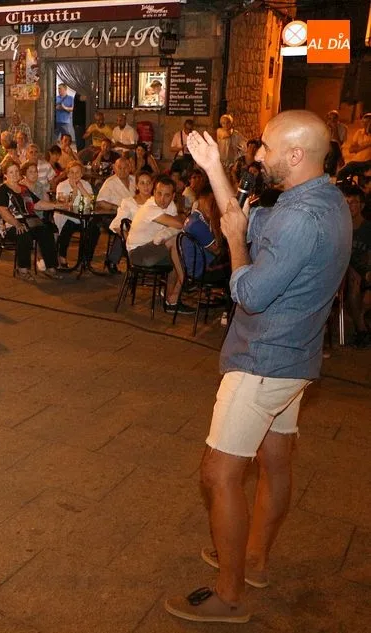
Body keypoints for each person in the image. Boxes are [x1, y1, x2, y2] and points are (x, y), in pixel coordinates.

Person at [164, 111, 351, 625]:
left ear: (295, 155)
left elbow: (249, 292)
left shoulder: (300, 218)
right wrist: (216, 171)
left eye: (266, 148)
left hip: (263, 360)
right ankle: (256, 562)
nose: (259, 155)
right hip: (295, 360)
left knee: (219, 474)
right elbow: (251, 221)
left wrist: (236, 244)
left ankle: (228, 594)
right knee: (276, 462)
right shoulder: (326, 201)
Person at [0, 160, 60, 280]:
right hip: (10, 224)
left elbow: (38, 204)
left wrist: (57, 205)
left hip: (30, 221)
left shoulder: (24, 188)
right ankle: (22, 270)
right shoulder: (2, 190)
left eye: (16, 171)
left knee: (46, 231)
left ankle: (51, 267)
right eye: (11, 172)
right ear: (5, 174)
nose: (14, 174)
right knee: (24, 234)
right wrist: (17, 223)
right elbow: (2, 211)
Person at [107, 170, 155, 271]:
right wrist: (129, 237)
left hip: (153, 239)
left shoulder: (157, 202)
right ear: (137, 186)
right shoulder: (129, 202)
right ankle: (113, 260)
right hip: (134, 239)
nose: (146, 186)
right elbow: (117, 224)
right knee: (124, 231)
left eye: (148, 183)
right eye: (142, 183)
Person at [340, 184, 370, 348]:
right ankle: (362, 330)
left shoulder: (368, 229)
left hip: (365, 277)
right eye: (347, 202)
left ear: (362, 205)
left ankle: (362, 331)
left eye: (354, 202)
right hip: (346, 278)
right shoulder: (342, 228)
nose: (350, 206)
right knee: (352, 276)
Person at [54, 161, 97, 268]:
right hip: (67, 216)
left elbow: (91, 203)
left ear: (81, 174)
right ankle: (62, 256)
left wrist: (81, 188)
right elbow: (65, 205)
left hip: (83, 217)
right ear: (67, 174)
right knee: (67, 227)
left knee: (94, 230)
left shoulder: (86, 184)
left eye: (77, 172)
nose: (74, 175)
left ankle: (85, 260)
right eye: (71, 172)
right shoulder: (62, 186)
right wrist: (74, 190)